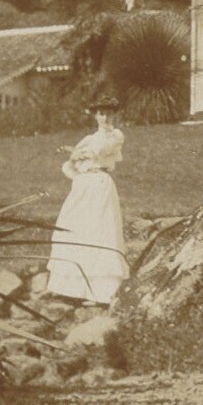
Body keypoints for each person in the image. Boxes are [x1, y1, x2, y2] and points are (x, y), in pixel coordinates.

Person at [42, 94, 130, 306]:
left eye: (109, 113)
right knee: (73, 229)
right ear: (95, 115)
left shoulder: (114, 136)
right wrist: (74, 158)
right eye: (101, 113)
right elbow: (72, 164)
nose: (105, 118)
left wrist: (78, 153)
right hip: (82, 186)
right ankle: (68, 287)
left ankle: (101, 292)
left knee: (99, 232)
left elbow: (98, 151)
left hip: (99, 185)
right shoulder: (89, 138)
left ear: (115, 116)